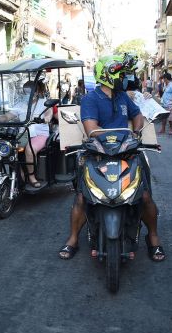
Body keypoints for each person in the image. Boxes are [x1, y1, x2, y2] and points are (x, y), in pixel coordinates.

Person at [58, 55, 165, 261]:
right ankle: (73, 238)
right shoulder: (90, 99)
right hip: (97, 153)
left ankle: (153, 237)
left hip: (127, 151)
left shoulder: (122, 96)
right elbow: (91, 129)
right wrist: (122, 135)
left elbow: (138, 115)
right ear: (109, 75)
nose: (125, 78)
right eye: (121, 74)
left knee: (144, 196)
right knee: (82, 197)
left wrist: (137, 128)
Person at [23, 80, 53, 188]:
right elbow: (9, 115)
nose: (28, 94)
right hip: (23, 134)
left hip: (39, 134)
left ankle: (31, 177)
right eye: (25, 92)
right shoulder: (20, 104)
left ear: (36, 92)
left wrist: (46, 118)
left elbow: (49, 114)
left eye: (30, 91)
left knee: (30, 149)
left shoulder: (44, 102)